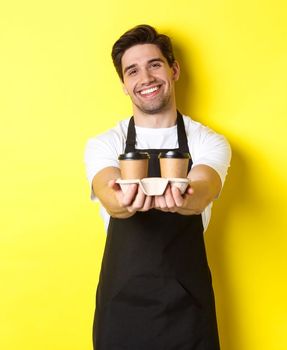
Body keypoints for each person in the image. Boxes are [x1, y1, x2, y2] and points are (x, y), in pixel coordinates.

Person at [84, 24, 230, 349]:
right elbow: (110, 198)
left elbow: (204, 186)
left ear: (173, 69)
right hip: (121, 308)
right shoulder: (106, 143)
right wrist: (123, 199)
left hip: (188, 310)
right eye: (132, 71)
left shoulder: (207, 141)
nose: (145, 78)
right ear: (124, 85)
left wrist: (184, 196)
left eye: (154, 64)